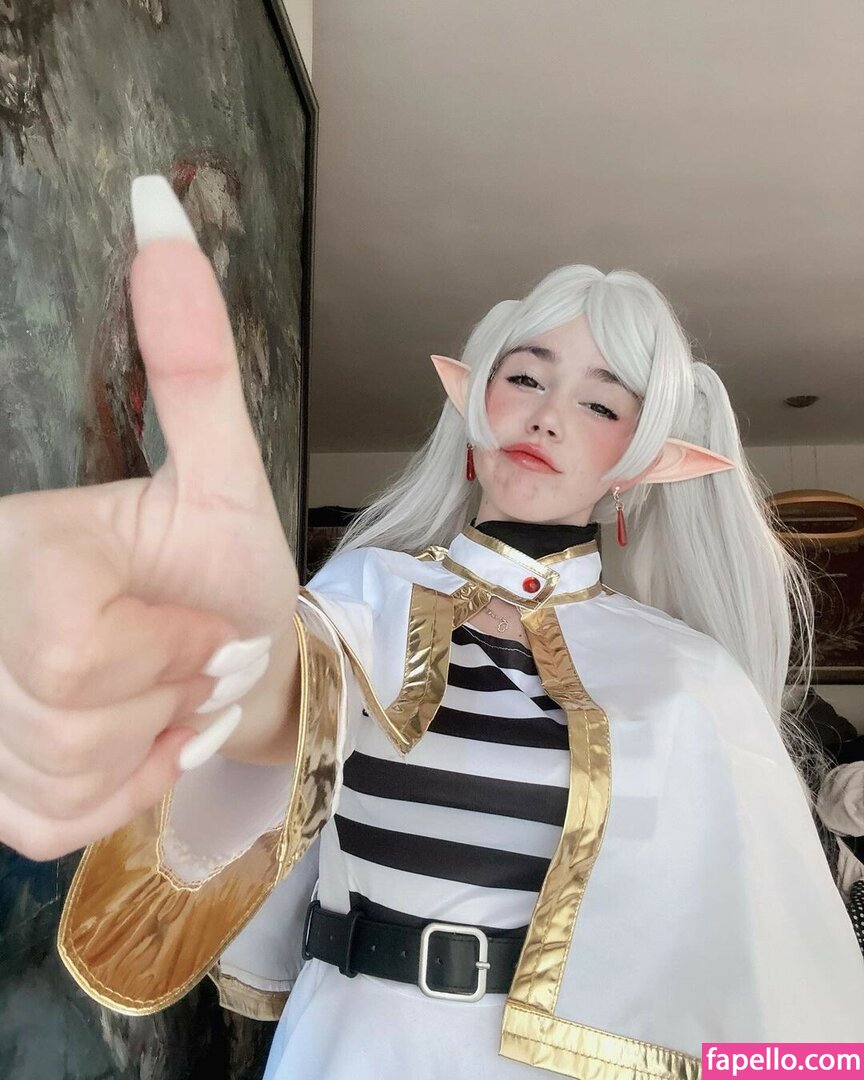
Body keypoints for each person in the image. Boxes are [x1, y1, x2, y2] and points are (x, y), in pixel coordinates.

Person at [0, 177, 862, 1080]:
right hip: (345, 1048)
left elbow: (774, 972)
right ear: (472, 405)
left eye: (601, 405)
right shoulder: (366, 595)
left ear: (643, 468)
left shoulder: (689, 678)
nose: (547, 414)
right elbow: (283, 711)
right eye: (524, 377)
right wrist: (211, 653)